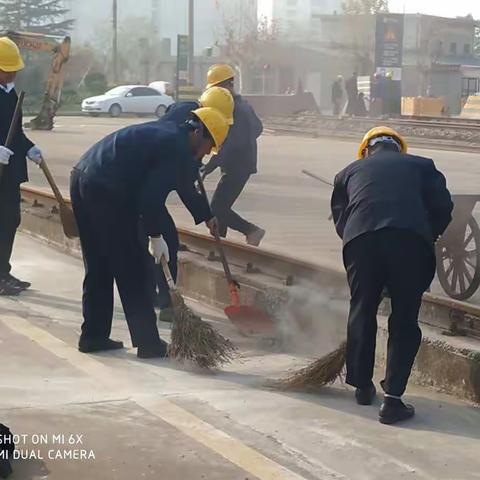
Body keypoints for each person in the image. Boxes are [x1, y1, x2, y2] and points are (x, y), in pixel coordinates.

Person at [70, 107, 229, 358]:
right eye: (210, 146)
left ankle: (93, 336)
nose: (208, 153)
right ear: (198, 132)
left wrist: (207, 215)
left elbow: (185, 185)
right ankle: (149, 343)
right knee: (133, 266)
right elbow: (150, 200)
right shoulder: (175, 149)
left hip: (83, 177)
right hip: (108, 191)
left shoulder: (173, 135)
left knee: (99, 263)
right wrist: (156, 236)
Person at [331, 126, 453, 425]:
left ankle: (361, 386)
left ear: (366, 150)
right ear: (400, 149)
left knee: (362, 308)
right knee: (404, 318)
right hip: (411, 242)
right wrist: (427, 235)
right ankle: (393, 400)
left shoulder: (348, 172)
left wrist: (364, 247)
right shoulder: (423, 166)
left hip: (361, 241)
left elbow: (341, 220)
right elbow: (443, 208)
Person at [149, 87, 235, 322]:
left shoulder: (186, 115)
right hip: (143, 184)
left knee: (160, 238)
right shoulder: (185, 121)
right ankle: (166, 303)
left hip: (149, 181)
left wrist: (206, 215)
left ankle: (158, 297)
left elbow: (184, 182)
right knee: (161, 236)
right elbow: (184, 183)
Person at [202, 64, 265, 246]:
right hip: (240, 164)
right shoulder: (242, 104)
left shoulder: (236, 109)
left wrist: (209, 167)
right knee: (221, 206)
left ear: (226, 85)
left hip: (238, 165)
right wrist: (246, 139)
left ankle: (252, 231)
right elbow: (258, 128)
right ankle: (219, 243)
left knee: (217, 207)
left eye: (217, 88)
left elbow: (230, 144)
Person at [0, 37, 44, 296]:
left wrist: (28, 146)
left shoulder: (9, 92)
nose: (14, 72)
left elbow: (14, 130)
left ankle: (3, 271)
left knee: (10, 220)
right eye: (8, 68)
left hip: (8, 172)